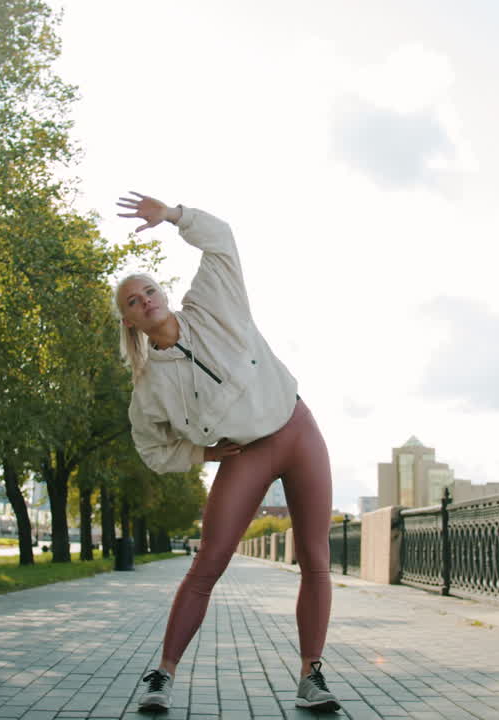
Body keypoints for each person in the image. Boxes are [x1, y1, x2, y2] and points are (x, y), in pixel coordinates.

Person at [115, 192, 340, 713]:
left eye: (148, 289)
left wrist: (172, 216)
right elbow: (152, 448)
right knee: (208, 563)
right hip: (247, 453)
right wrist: (206, 456)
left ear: (163, 293)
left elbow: (221, 241)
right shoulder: (149, 387)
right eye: (133, 301)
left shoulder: (213, 302)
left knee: (315, 557)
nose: (145, 299)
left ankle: (312, 675)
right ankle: (162, 677)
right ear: (130, 321)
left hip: (297, 427)